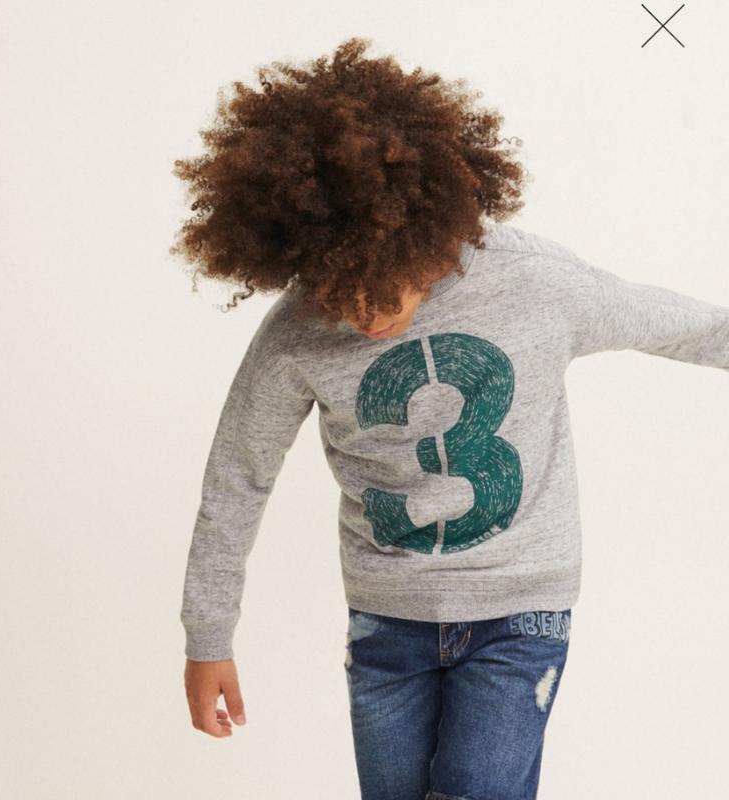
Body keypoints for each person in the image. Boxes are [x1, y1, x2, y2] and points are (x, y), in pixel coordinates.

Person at [170, 37, 729, 800]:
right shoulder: (297, 333)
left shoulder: (535, 284)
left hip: (519, 611)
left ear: (422, 230)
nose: (360, 312)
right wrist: (208, 637)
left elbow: (682, 324)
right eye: (334, 289)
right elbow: (238, 477)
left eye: (379, 282)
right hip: (385, 623)